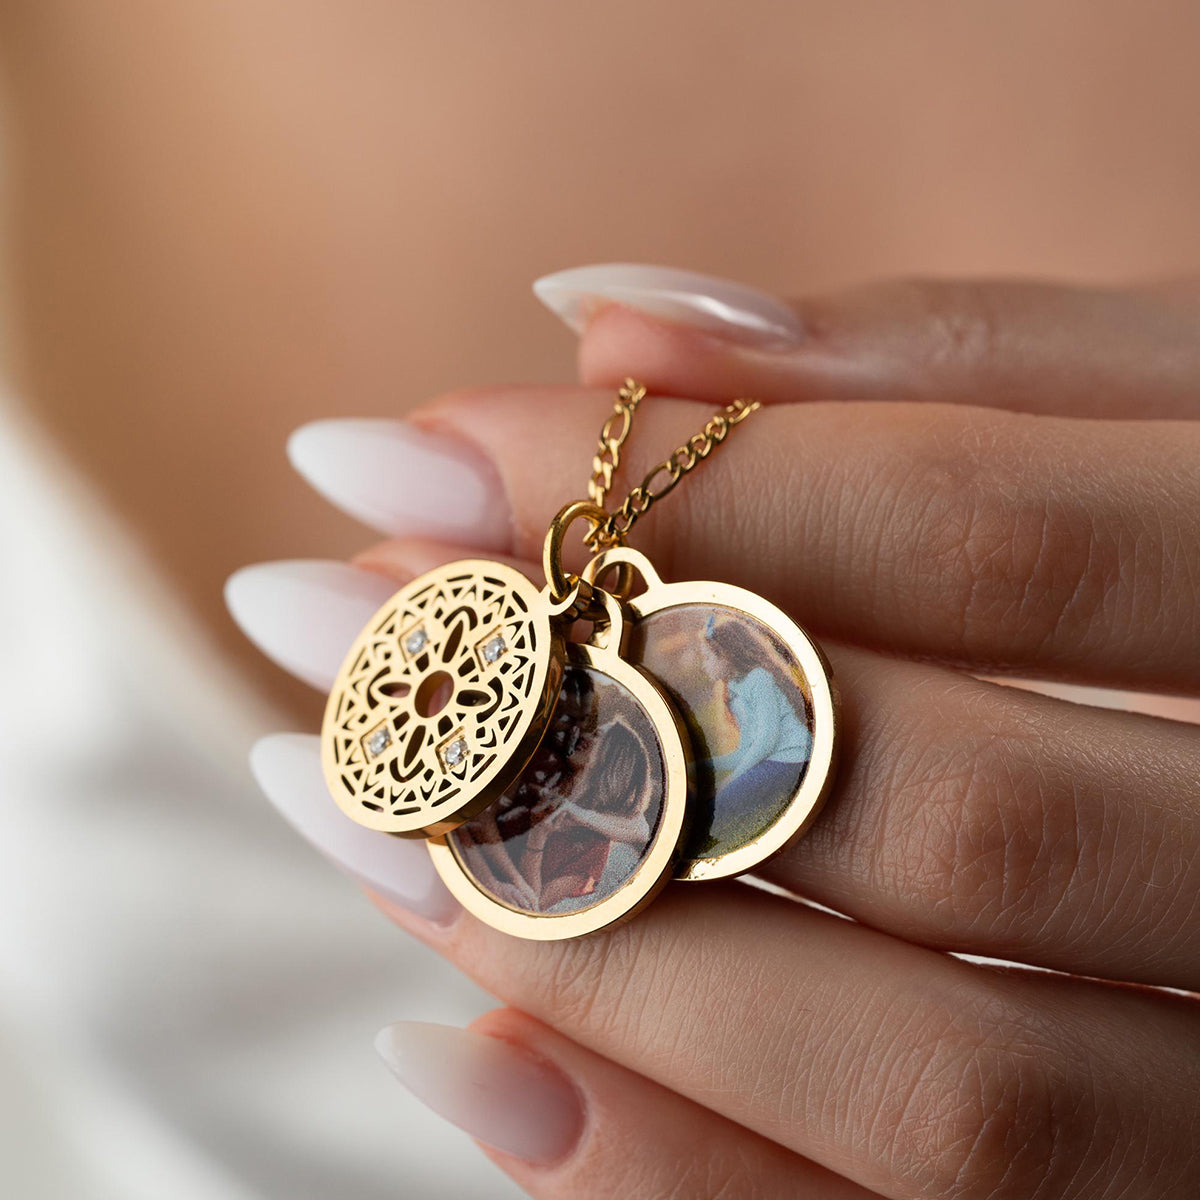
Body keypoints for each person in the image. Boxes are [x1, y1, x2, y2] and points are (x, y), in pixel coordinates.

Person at [699, 613, 813, 848]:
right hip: (772, 760)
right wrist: (698, 766)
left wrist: (733, 779)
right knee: (707, 803)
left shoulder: (759, 679)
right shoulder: (735, 688)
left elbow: (767, 740)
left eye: (708, 657)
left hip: (791, 759)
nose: (704, 664)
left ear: (727, 654)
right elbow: (745, 752)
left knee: (717, 808)